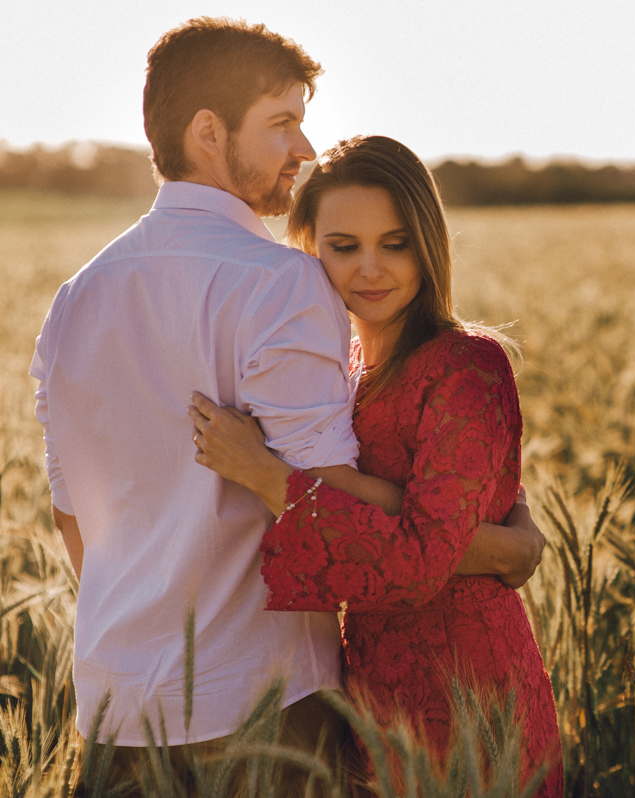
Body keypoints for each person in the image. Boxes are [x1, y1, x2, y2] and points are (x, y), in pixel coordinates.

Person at [30, 18, 544, 792]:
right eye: (282, 124)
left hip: (114, 708)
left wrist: (151, 630)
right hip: (264, 707)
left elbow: (74, 517)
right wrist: (498, 550)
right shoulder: (281, 283)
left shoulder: (75, 299)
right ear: (209, 132)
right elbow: (333, 506)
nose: (302, 150)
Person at [187, 135, 563, 795]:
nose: (371, 269)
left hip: (468, 686)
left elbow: (422, 553)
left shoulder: (468, 362)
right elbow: (439, 510)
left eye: (396, 243)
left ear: (429, 243)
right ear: (306, 249)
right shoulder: (344, 370)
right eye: (343, 246)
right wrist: (505, 545)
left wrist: (266, 474)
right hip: (373, 687)